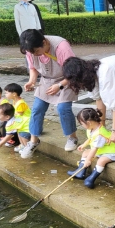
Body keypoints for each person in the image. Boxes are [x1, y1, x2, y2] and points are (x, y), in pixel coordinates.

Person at [19, 29, 79, 158]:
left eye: (37, 52)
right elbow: (33, 68)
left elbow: (74, 72)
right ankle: (34, 141)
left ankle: (72, 137)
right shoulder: (30, 49)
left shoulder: (61, 47)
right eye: (32, 53)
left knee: (63, 108)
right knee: (37, 108)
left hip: (67, 78)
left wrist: (60, 85)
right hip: (46, 80)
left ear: (44, 42)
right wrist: (32, 81)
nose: (35, 55)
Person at [67, 108, 115, 189]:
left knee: (101, 161)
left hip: (111, 151)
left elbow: (94, 149)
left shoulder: (100, 133)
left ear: (88, 122)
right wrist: (84, 145)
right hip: (101, 150)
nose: (81, 125)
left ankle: (91, 179)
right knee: (85, 153)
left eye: (81, 123)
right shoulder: (91, 128)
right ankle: (81, 172)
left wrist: (88, 160)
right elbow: (90, 138)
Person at [3, 83, 31, 150]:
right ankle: (22, 145)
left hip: (26, 122)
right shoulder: (15, 100)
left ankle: (27, 148)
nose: (5, 94)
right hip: (20, 121)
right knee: (19, 134)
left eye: (6, 93)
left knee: (22, 135)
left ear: (14, 94)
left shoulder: (20, 103)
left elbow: (20, 114)